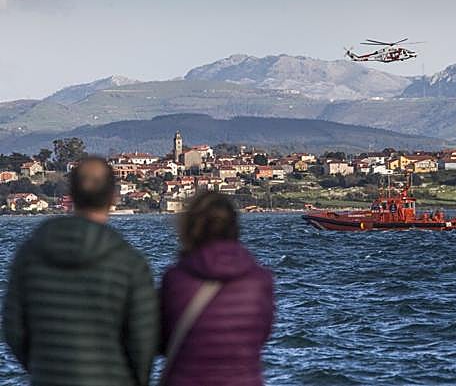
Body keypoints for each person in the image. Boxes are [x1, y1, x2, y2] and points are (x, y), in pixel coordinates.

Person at [2, 156, 159, 386]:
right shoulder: (128, 261)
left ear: (71, 195)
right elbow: (143, 337)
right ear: (112, 197)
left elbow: (13, 327)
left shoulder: (31, 252)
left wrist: (41, 367)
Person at [160, 192, 274, 386]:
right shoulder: (260, 281)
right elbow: (262, 335)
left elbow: (164, 338)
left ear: (190, 228)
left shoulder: (176, 279)